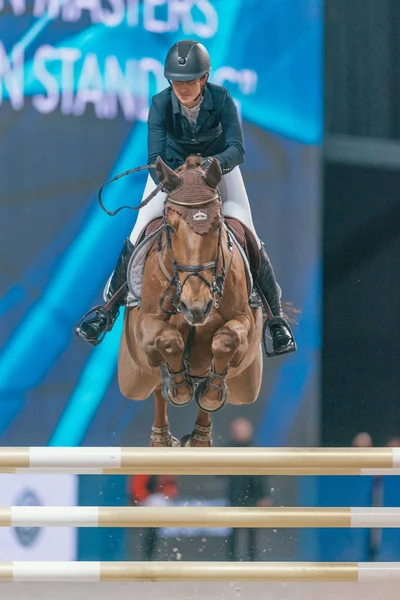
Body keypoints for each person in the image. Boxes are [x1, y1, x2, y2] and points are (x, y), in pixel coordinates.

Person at [76, 40, 295, 356]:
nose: (182, 88)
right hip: (176, 179)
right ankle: (107, 310)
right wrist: (176, 184)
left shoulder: (221, 100)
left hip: (218, 172)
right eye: (176, 82)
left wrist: (210, 167)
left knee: (247, 230)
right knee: (140, 230)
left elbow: (237, 148)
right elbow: (155, 157)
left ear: (203, 79)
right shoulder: (160, 104)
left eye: (189, 81)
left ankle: (276, 320)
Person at [225, 417, 272, 561]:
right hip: (235, 495)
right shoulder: (228, 450)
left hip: (252, 495)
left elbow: (262, 476)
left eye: (241, 429)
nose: (239, 432)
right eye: (236, 430)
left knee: (252, 531)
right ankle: (232, 561)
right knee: (233, 531)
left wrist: (264, 496)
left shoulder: (255, 449)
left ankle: (252, 561)